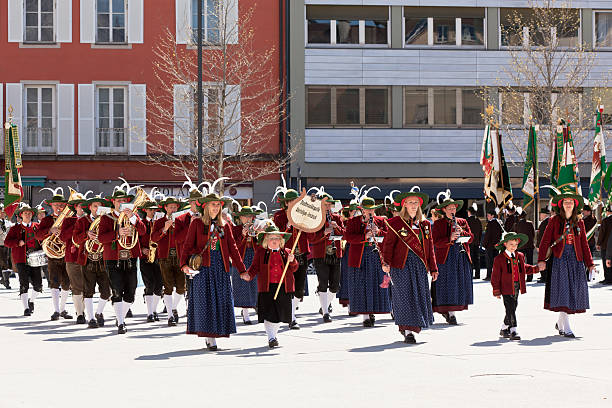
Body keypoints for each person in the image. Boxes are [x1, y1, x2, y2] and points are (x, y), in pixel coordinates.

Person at [180, 190, 246, 351]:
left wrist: (242, 270)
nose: (216, 208)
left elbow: (233, 249)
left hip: (221, 269)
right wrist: (184, 265)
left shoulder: (225, 226)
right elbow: (187, 246)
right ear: (206, 207)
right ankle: (210, 338)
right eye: (213, 205)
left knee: (220, 302)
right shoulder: (196, 224)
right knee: (206, 303)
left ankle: (214, 335)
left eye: (218, 205)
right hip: (203, 269)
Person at [382, 188, 438, 344]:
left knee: (418, 296)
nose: (413, 205)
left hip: (419, 266)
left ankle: (413, 326)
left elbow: (430, 248)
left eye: (416, 203)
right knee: (404, 297)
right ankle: (408, 331)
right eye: (410, 202)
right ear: (404, 205)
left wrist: (433, 268)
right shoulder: (395, 223)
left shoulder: (425, 224)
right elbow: (388, 245)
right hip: (401, 266)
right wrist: (385, 263)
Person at [537, 188, 594, 338]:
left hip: (575, 261)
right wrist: (541, 260)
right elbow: (545, 242)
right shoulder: (554, 221)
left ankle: (560, 323)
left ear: (575, 205)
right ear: (561, 205)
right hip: (560, 260)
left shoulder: (579, 222)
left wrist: (590, 264)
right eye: (566, 202)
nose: (568, 204)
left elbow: (584, 245)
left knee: (571, 293)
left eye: (571, 202)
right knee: (564, 292)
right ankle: (566, 327)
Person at [98, 184, 146, 334]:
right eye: (118, 201)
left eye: (124, 201)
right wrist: (118, 233)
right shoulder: (106, 218)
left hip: (130, 258)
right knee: (117, 291)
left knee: (131, 293)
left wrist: (132, 217)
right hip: (113, 258)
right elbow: (101, 238)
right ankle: (121, 322)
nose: (121, 203)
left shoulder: (133, 216)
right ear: (113, 202)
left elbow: (143, 232)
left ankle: (120, 317)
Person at [241, 225, 298, 348]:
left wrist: (292, 260)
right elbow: (255, 267)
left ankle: (274, 335)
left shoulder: (287, 252)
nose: (274, 240)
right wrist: (249, 275)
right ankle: (271, 337)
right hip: (266, 287)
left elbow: (294, 268)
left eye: (277, 238)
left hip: (284, 287)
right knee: (269, 313)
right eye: (271, 238)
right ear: (266, 240)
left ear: (281, 240)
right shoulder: (261, 252)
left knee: (279, 314)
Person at [344, 196, 391, 327]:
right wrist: (364, 236)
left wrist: (379, 232)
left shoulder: (381, 220)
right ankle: (365, 316)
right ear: (362, 210)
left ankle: (373, 311)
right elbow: (348, 237)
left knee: (376, 284)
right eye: (367, 210)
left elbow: (389, 237)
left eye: (372, 210)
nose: (370, 212)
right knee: (361, 285)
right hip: (359, 257)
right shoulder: (353, 221)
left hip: (376, 256)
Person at [431, 190, 474, 325]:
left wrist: (463, 232)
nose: (452, 210)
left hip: (461, 256)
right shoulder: (438, 224)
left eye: (454, 208)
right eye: (449, 208)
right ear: (444, 210)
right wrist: (449, 238)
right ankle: (450, 313)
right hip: (446, 257)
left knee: (459, 284)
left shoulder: (462, 221)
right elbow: (435, 242)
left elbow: (471, 238)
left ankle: (453, 310)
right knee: (448, 285)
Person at [273, 188, 310, 329]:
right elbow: (277, 235)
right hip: (285, 256)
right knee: (288, 286)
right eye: (292, 201)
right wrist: (288, 226)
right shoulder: (279, 216)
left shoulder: (303, 215)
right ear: (287, 203)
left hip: (301, 255)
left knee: (299, 289)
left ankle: (292, 312)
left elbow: (311, 236)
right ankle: (292, 318)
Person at [491, 232, 538, 341]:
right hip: (506, 287)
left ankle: (504, 328)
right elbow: (495, 276)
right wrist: (496, 290)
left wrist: (536, 269)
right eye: (511, 244)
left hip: (517, 285)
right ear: (505, 244)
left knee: (513, 307)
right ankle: (513, 330)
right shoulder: (499, 259)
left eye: (515, 244)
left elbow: (524, 268)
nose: (513, 247)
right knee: (510, 308)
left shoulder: (520, 256)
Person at [73, 195, 111, 328]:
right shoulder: (82, 221)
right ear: (89, 208)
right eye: (95, 206)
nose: (98, 208)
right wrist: (86, 235)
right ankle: (90, 318)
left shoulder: (107, 220)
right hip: (88, 259)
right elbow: (76, 239)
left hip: (103, 259)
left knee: (106, 291)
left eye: (100, 206)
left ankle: (99, 312)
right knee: (88, 290)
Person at [306, 191, 345, 323]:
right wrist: (324, 233)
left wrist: (337, 227)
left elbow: (345, 234)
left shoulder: (337, 217)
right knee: (323, 283)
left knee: (335, 285)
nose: (328, 207)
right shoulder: (314, 218)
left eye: (330, 204)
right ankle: (326, 312)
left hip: (335, 253)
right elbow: (310, 238)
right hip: (320, 254)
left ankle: (324, 305)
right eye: (325, 204)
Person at [35, 189, 73, 321]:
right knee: (54, 282)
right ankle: (56, 310)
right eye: (56, 205)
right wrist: (50, 230)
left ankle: (62, 309)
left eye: (61, 205)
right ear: (51, 206)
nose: (59, 207)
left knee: (67, 283)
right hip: (52, 256)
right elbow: (38, 235)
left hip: (66, 254)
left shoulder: (69, 219)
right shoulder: (46, 220)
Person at [152, 197, 186, 326]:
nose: (173, 209)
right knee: (168, 287)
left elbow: (186, 237)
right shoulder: (160, 221)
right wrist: (164, 229)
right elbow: (154, 238)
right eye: (170, 207)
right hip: (164, 257)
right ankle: (170, 316)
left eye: (175, 207)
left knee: (182, 288)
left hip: (179, 256)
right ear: (165, 208)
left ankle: (173, 307)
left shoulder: (182, 221)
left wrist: (178, 227)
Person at [4, 204, 43, 316]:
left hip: (36, 259)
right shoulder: (15, 228)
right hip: (21, 259)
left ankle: (31, 301)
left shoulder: (37, 226)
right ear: (21, 215)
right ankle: (26, 308)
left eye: (29, 213)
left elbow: (43, 239)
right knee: (24, 283)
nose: (27, 214)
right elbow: (7, 242)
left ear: (32, 215)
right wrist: (17, 242)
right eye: (25, 213)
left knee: (38, 285)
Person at [230, 205, 262, 325]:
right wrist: (243, 235)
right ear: (241, 218)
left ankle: (256, 307)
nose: (247, 219)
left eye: (250, 216)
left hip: (253, 257)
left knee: (256, 283)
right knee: (242, 285)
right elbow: (233, 247)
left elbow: (261, 244)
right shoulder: (235, 229)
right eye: (245, 217)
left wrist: (258, 234)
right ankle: (245, 313)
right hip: (240, 259)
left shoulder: (257, 228)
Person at [60, 192, 89, 324]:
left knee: (88, 286)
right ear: (75, 208)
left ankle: (88, 311)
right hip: (72, 257)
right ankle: (80, 313)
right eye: (79, 206)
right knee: (77, 286)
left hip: (87, 256)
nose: (81, 209)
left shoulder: (90, 220)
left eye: (84, 206)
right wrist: (75, 226)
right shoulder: (68, 221)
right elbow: (62, 237)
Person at [139, 199, 164, 323]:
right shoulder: (141, 223)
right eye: (150, 209)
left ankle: (154, 310)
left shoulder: (159, 223)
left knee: (159, 286)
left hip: (158, 257)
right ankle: (150, 313)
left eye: (154, 209)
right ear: (145, 210)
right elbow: (136, 240)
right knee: (149, 285)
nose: (153, 211)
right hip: (145, 257)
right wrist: (142, 249)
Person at [513, 207, 536, 282]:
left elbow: (515, 235)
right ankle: (530, 277)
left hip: (521, 246)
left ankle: (521, 276)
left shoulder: (517, 224)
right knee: (530, 261)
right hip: (529, 245)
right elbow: (533, 234)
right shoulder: (530, 223)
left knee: (520, 262)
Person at [482, 209, 503, 281]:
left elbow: (487, 235)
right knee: (496, 262)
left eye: (488, 215)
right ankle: (497, 275)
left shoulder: (490, 223)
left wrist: (484, 244)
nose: (487, 217)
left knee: (489, 262)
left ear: (492, 215)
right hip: (496, 245)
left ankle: (489, 276)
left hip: (490, 245)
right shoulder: (499, 222)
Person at [596, 204, 612, 284]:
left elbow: (602, 233)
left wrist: (598, 243)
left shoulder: (606, 221)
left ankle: (608, 278)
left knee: (606, 262)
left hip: (606, 245)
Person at [0, 205, 15, 289]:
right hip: (0, 244)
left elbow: (11, 231)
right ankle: (6, 282)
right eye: (1, 212)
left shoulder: (7, 222)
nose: (3, 214)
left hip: (7, 245)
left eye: (4, 213)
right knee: (3, 263)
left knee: (7, 263)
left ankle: (4, 280)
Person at [466, 203, 482, 279]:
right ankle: (477, 274)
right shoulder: (478, 220)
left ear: (469, 212)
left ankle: (470, 274)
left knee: (470, 259)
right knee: (477, 259)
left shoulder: (467, 220)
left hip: (469, 242)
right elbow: (480, 232)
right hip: (477, 242)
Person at [536, 207, 552, 283]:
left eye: (541, 214)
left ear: (544, 214)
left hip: (544, 245)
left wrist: (538, 245)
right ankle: (544, 276)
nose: (540, 216)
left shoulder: (545, 222)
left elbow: (541, 236)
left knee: (544, 260)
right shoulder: (546, 221)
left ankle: (544, 277)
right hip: (546, 245)